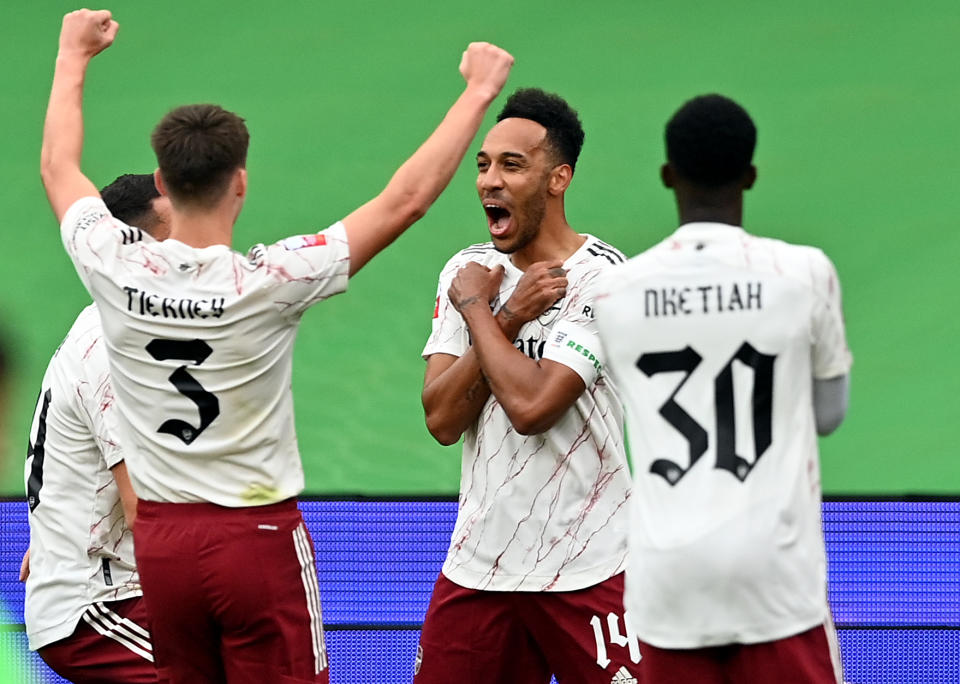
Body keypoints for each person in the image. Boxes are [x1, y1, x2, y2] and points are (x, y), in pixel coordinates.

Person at [40, 9, 513, 684]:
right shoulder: (272, 279)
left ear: (164, 184)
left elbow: (58, 164)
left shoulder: (110, 264)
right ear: (241, 182)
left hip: (163, 548)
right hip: (254, 540)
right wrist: (476, 93)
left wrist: (72, 55)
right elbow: (404, 201)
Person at [592, 94, 850, 683]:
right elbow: (830, 413)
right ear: (751, 175)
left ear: (667, 175)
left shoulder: (614, 291)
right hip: (777, 578)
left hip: (667, 582)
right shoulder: (804, 273)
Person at [417, 88, 640, 684]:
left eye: (512, 165)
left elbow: (534, 406)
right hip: (480, 569)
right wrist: (504, 316)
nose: (490, 180)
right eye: (484, 164)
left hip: (589, 565)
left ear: (558, 178)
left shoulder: (603, 277)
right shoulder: (466, 275)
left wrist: (485, 316)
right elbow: (441, 419)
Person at [21, 174, 169, 684]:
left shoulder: (133, 333)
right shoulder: (114, 349)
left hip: (113, 587)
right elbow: (144, 511)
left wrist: (57, 533)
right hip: (98, 606)